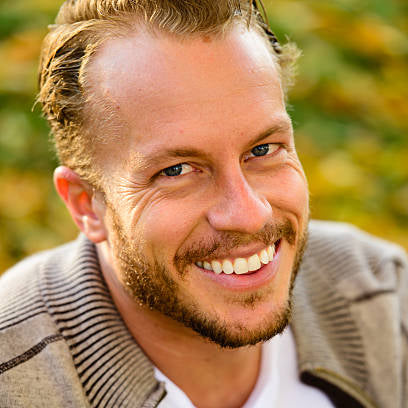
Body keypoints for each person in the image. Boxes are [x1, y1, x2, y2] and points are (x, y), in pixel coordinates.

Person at [0, 1, 407, 407]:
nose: (249, 215)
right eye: (176, 170)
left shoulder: (383, 294)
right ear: (86, 205)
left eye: (263, 149)